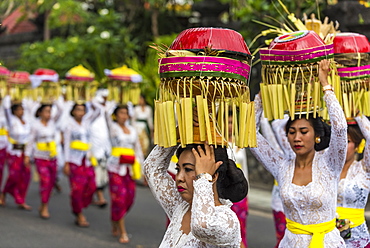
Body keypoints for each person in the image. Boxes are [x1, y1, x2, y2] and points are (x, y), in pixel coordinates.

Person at [250, 60, 347, 247]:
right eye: (292, 132)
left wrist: (325, 85)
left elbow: (341, 128)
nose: (297, 138)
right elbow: (251, 136)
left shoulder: (330, 162)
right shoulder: (281, 166)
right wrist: (262, 96)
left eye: (304, 132)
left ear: (316, 135)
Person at [144, 142, 248, 247]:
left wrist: (203, 176)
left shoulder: (227, 219)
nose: (179, 177)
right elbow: (152, 169)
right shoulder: (181, 207)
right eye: (178, 169)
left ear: (214, 176)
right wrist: (176, 134)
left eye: (188, 169)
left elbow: (201, 226)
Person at [105, 104, 144, 244]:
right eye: (121, 113)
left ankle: (115, 218)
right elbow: (106, 112)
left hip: (130, 168)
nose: (124, 116)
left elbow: (137, 149)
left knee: (130, 198)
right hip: (115, 167)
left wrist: (143, 168)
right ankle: (123, 231)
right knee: (119, 198)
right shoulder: (112, 127)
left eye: (125, 113)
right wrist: (119, 95)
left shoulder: (132, 130)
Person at [63, 102, 99, 227]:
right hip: (74, 160)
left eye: (83, 110)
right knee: (77, 189)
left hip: (87, 159)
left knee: (92, 186)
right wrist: (66, 162)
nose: (80, 112)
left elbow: (99, 110)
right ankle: (79, 214)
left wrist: (88, 97)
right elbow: (67, 144)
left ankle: (78, 205)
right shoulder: (69, 126)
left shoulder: (87, 122)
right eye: (78, 110)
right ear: (73, 111)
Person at [336, 115, 370, 247]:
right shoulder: (325, 168)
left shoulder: (364, 169)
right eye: (339, 140)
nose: (342, 145)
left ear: (357, 145)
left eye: (348, 141)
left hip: (357, 240)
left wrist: (358, 115)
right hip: (327, 236)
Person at [24, 102, 62, 219]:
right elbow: (31, 141)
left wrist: (53, 99)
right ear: (40, 113)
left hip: (52, 156)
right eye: (46, 111)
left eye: (49, 111)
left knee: (51, 182)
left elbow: (60, 110)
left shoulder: (52, 123)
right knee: (45, 182)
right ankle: (45, 206)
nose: (48, 114)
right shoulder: (35, 125)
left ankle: (44, 203)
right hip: (40, 157)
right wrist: (27, 155)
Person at [0, 95, 32, 210]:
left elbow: (29, 138)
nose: (21, 111)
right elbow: (6, 107)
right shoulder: (11, 120)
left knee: (26, 176)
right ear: (14, 111)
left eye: (22, 109)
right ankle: (4, 192)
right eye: (18, 109)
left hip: (25, 153)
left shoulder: (26, 121)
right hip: (13, 152)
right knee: (14, 175)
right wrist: (9, 92)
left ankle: (21, 199)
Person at [227, 112, 249, 248]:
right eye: (228, 123)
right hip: (226, 192)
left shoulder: (240, 143)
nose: (230, 126)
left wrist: (248, 195)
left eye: (232, 123)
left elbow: (245, 170)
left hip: (240, 194)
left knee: (241, 230)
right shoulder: (218, 143)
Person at [90, 89, 111, 208]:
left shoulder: (106, 117)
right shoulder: (90, 117)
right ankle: (100, 197)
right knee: (96, 173)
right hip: (93, 150)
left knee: (102, 175)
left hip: (105, 149)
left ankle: (95, 195)